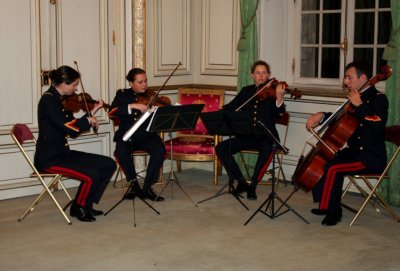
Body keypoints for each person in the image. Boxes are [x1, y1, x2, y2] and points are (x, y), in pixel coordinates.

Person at [305, 61, 389, 226]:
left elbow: (378, 125)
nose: (345, 82)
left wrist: (360, 105)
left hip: (371, 156)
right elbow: (343, 118)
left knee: (333, 168)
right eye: (345, 78)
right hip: (354, 152)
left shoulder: (379, 99)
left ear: (363, 77)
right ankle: (326, 204)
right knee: (323, 159)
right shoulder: (356, 96)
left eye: (349, 78)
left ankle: (334, 212)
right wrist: (322, 115)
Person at [34, 65, 117, 222]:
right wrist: (87, 120)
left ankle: (85, 204)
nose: (76, 88)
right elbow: (67, 126)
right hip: (49, 158)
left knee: (108, 164)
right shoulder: (48, 101)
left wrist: (92, 113)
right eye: (74, 85)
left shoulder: (58, 99)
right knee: (91, 175)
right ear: (64, 83)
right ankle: (78, 208)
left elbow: (72, 129)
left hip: (62, 153)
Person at [215, 60, 286, 200]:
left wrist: (279, 97)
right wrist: (217, 114)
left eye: (264, 72)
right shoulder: (246, 91)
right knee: (221, 148)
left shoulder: (273, 92)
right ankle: (241, 181)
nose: (261, 76)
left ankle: (253, 185)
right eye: (257, 73)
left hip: (266, 136)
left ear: (269, 75)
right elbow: (231, 107)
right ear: (252, 75)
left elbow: (280, 113)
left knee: (267, 149)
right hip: (246, 135)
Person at [108, 68, 166, 201]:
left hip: (147, 135)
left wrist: (156, 112)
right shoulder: (122, 94)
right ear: (131, 83)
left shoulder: (151, 95)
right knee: (121, 151)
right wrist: (131, 106)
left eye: (145, 81)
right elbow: (111, 112)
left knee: (159, 150)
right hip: (128, 135)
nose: (144, 85)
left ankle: (147, 188)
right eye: (140, 82)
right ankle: (134, 186)